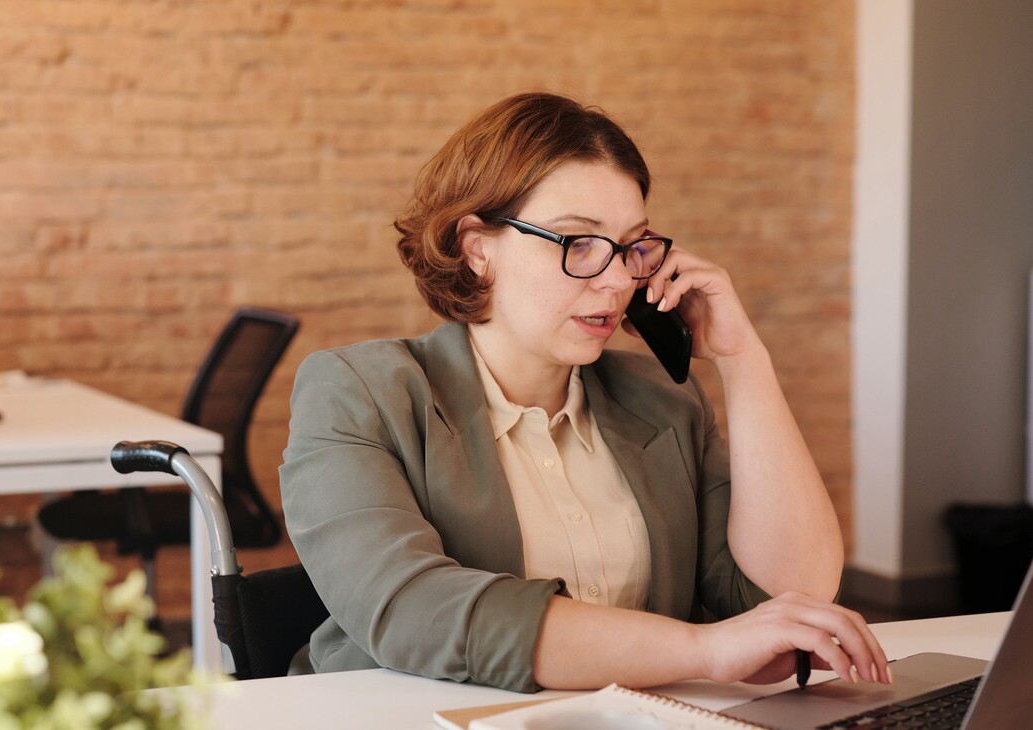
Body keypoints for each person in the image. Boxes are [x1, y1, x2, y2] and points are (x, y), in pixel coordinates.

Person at [279, 92, 888, 693]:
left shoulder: (661, 399)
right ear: (477, 248)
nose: (620, 277)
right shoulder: (358, 391)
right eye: (579, 242)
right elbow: (410, 609)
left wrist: (742, 359)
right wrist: (703, 649)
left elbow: (791, 597)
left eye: (631, 245)